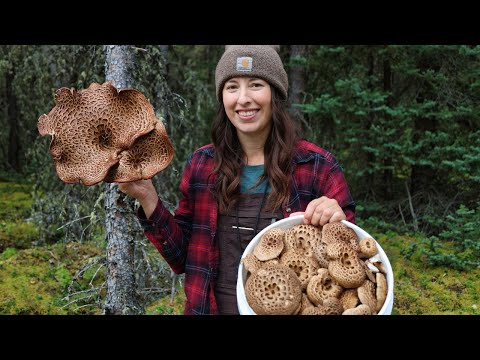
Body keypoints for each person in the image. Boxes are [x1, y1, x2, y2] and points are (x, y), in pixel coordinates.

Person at [118, 45, 355, 315]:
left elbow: (352, 258)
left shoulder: (316, 166)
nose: (243, 99)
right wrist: (148, 197)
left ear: (275, 93)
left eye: (255, 85)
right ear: (222, 98)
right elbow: (183, 258)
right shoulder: (202, 165)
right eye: (232, 87)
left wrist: (337, 219)